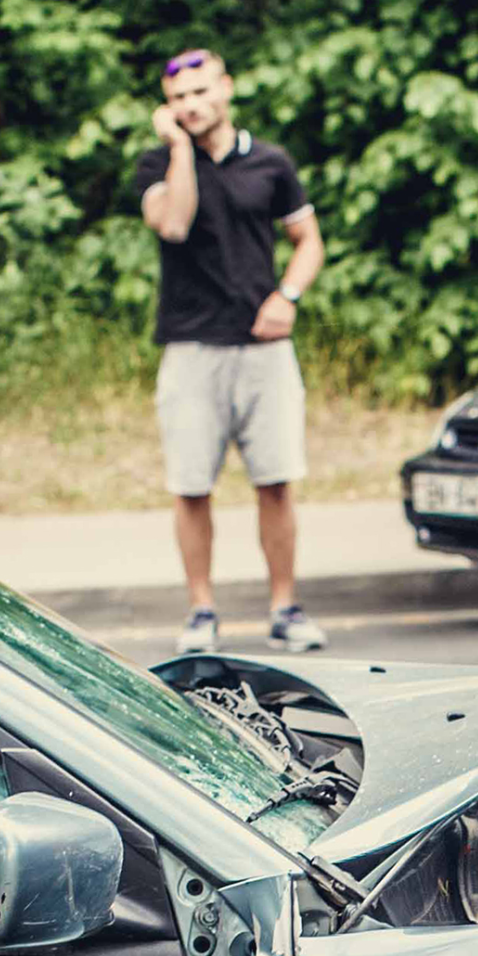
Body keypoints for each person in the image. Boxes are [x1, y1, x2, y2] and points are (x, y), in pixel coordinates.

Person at [135, 46, 327, 655]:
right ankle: (201, 612)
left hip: (264, 350)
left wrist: (288, 295)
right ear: (168, 109)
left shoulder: (271, 163)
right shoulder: (156, 165)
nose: (191, 106)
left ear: (226, 89)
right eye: (178, 99)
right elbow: (174, 224)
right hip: (192, 350)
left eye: (200, 92)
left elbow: (308, 241)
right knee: (191, 486)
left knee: (276, 481)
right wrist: (181, 151)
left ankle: (285, 608)